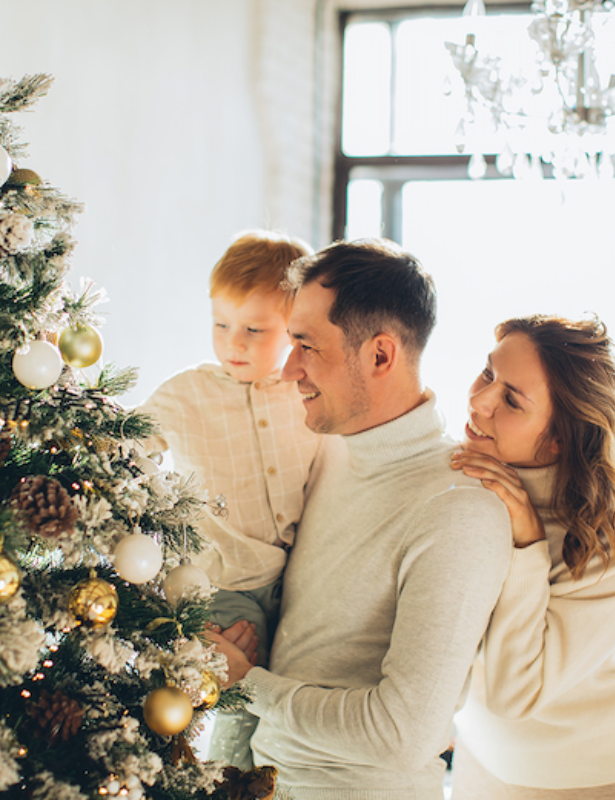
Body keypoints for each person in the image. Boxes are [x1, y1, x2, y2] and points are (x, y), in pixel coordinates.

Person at [210, 238, 513, 799]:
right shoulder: (327, 450)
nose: (287, 369)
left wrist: (245, 685)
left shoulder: (458, 508)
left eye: (306, 345)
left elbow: (403, 735)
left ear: (379, 355)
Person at [450, 314, 615, 800]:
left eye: (511, 399)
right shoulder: (465, 476)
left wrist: (528, 543)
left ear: (560, 438)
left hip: (593, 778)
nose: (479, 401)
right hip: (479, 759)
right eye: (488, 373)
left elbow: (514, 693)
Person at [133, 229, 321, 769]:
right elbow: (128, 447)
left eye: (254, 330)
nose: (233, 343)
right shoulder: (187, 394)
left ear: (294, 331)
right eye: (221, 325)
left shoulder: (306, 394)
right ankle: (228, 780)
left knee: (280, 686)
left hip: (292, 579)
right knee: (238, 681)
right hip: (220, 578)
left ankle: (255, 775)